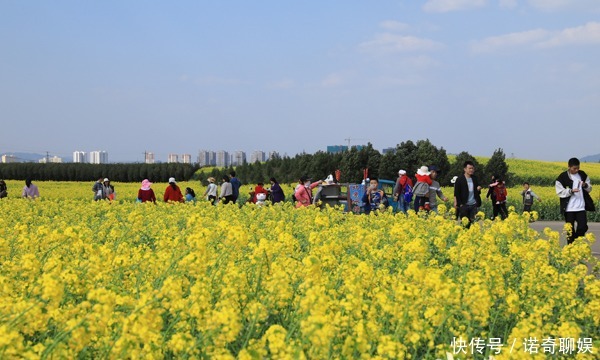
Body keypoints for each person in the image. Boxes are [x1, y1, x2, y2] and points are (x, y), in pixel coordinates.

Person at [555, 157, 595, 244]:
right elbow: (559, 192)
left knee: (583, 227)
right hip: (569, 208)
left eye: (578, 168)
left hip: (581, 207)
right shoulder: (562, 177)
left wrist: (585, 185)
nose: (576, 170)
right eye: (574, 168)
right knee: (570, 230)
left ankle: (575, 242)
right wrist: (571, 191)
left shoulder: (582, 175)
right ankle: (570, 248)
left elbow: (589, 188)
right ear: (569, 167)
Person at [453, 161, 482, 227]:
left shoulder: (475, 178)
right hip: (464, 204)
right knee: (464, 223)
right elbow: (456, 192)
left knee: (473, 222)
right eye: (470, 168)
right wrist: (456, 203)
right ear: (465, 169)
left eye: (472, 168)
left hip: (473, 204)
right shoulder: (460, 179)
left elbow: (477, 191)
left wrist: (478, 188)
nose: (471, 170)